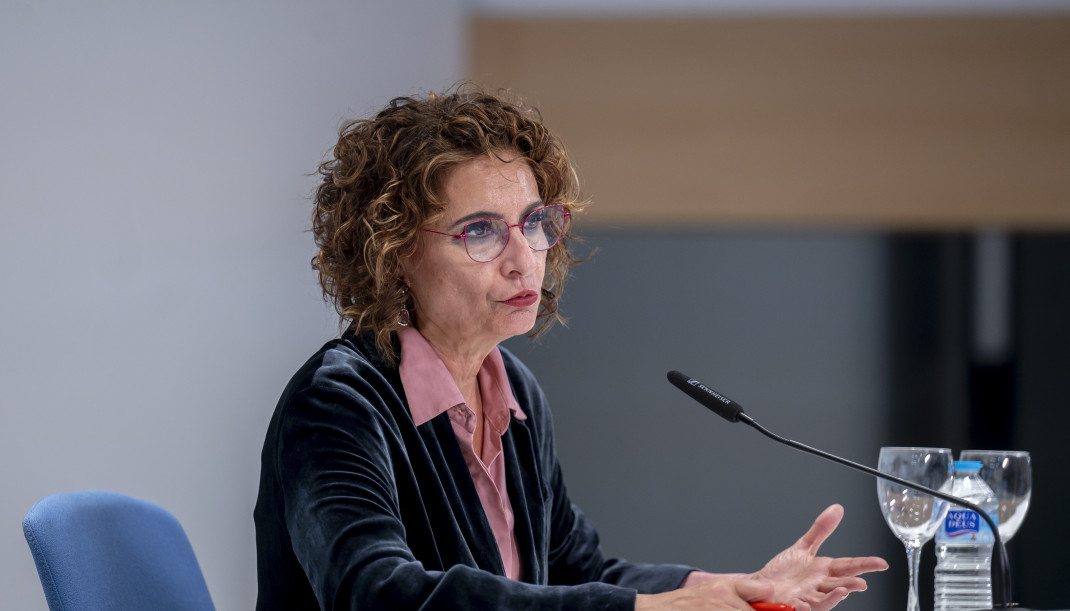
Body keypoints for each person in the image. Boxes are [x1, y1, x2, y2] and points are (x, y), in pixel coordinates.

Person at [253, 86, 887, 610]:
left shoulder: (515, 392)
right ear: (394, 254)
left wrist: (730, 590)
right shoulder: (337, 402)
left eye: (534, 223)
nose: (523, 258)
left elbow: (571, 569)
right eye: (480, 231)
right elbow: (378, 595)